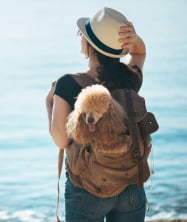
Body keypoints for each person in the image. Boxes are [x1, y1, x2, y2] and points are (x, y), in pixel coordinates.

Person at [46, 7, 147, 222]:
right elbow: (139, 53)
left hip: (87, 190)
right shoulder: (130, 79)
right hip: (130, 185)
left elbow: (61, 140)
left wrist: (49, 103)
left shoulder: (68, 84)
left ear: (88, 45)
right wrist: (134, 39)